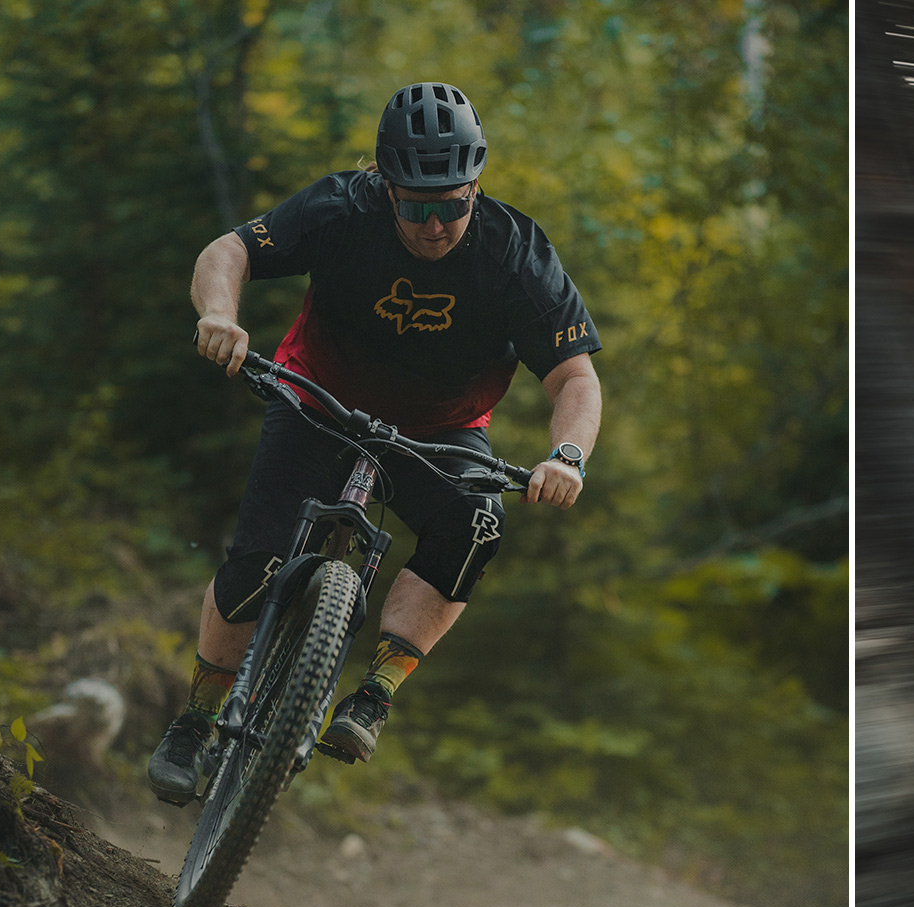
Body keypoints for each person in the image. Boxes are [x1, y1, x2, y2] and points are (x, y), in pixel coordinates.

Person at [148, 81, 602, 802]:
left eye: (453, 204)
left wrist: (567, 455)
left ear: (476, 184)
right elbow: (228, 251)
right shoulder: (340, 208)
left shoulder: (515, 251)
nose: (435, 225)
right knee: (257, 563)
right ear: (385, 186)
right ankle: (196, 722)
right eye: (416, 206)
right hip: (318, 399)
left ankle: (375, 697)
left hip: (444, 430)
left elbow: (574, 378)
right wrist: (220, 315)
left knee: (479, 522)